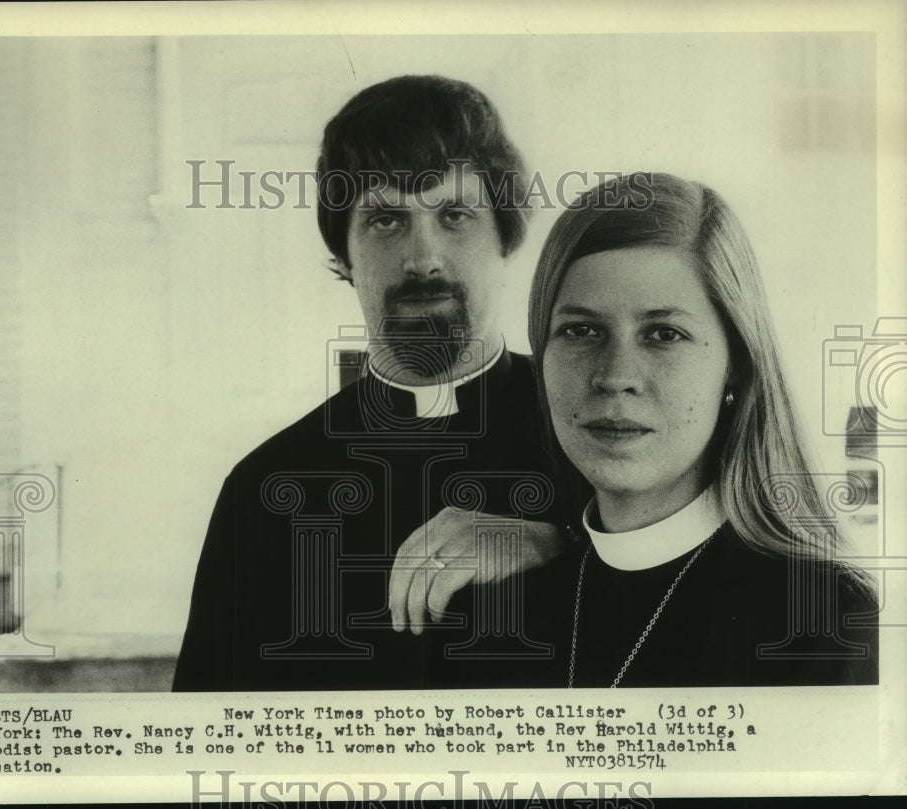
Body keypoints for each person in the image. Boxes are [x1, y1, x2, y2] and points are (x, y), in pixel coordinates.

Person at [172, 75, 563, 691]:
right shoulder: (264, 491)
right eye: (385, 221)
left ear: (505, 239)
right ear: (346, 256)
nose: (423, 258)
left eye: (455, 215)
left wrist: (558, 546)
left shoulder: (606, 440)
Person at [436, 172, 879, 688]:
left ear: (735, 362)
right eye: (581, 331)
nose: (615, 377)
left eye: (664, 334)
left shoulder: (826, 623)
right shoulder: (494, 611)